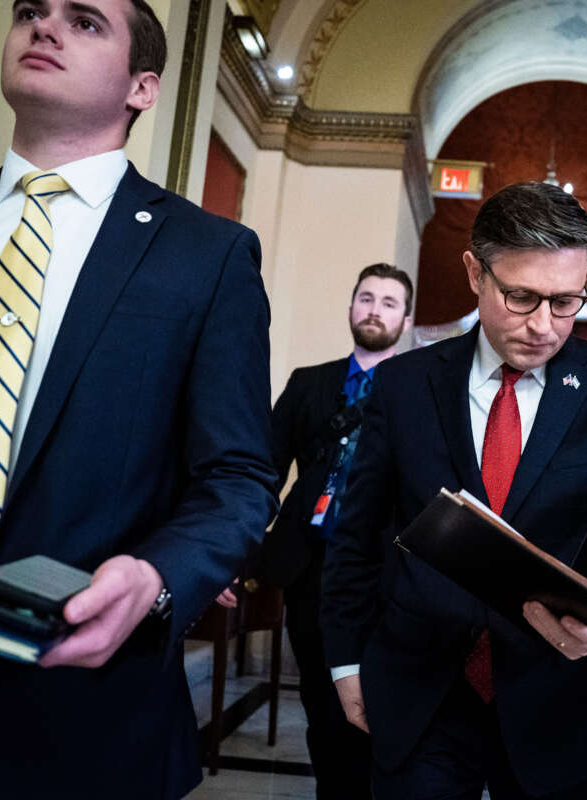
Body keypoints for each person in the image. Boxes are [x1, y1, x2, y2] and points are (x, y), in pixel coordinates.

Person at [0, 2, 278, 797]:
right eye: (30, 11)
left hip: (76, 715)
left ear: (143, 87)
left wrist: (158, 578)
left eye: (85, 21)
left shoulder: (206, 258)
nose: (44, 27)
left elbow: (236, 477)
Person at [319, 181, 587, 799]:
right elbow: (357, 538)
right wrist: (345, 660)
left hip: (559, 697)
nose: (544, 325)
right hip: (419, 690)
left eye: (567, 300)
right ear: (474, 272)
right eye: (520, 297)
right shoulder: (406, 385)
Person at [257, 262, 414, 800]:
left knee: (380, 702)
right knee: (323, 706)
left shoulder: (417, 390)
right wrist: (232, 550)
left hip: (384, 573)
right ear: (351, 307)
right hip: (311, 568)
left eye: (389, 302)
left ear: (407, 319)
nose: (375, 310)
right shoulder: (309, 383)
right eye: (366, 298)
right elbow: (263, 469)